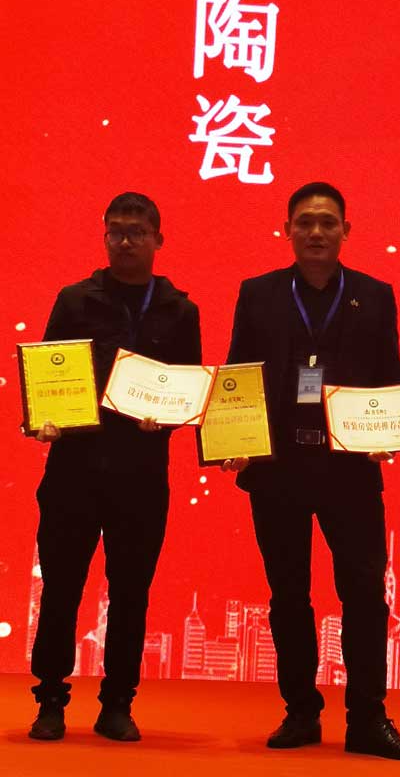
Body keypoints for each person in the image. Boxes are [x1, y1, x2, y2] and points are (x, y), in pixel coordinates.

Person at [222, 182, 400, 761]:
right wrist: (232, 436)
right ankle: (300, 712)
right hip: (278, 467)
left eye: (328, 222)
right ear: (287, 230)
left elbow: (389, 376)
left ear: (346, 231)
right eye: (305, 222)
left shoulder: (374, 295)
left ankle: (368, 719)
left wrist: (391, 432)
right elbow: (238, 374)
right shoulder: (258, 293)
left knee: (364, 594)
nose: (316, 232)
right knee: (288, 594)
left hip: (349, 470)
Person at [28, 192, 201, 743]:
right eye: (116, 232)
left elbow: (189, 387)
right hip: (72, 470)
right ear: (105, 237)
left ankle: (118, 704)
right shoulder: (75, 299)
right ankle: (50, 699)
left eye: (137, 232)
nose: (126, 241)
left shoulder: (180, 310)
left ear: (158, 240)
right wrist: (45, 418)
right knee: (61, 588)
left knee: (130, 592)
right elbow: (47, 373)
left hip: (142, 475)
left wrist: (166, 420)